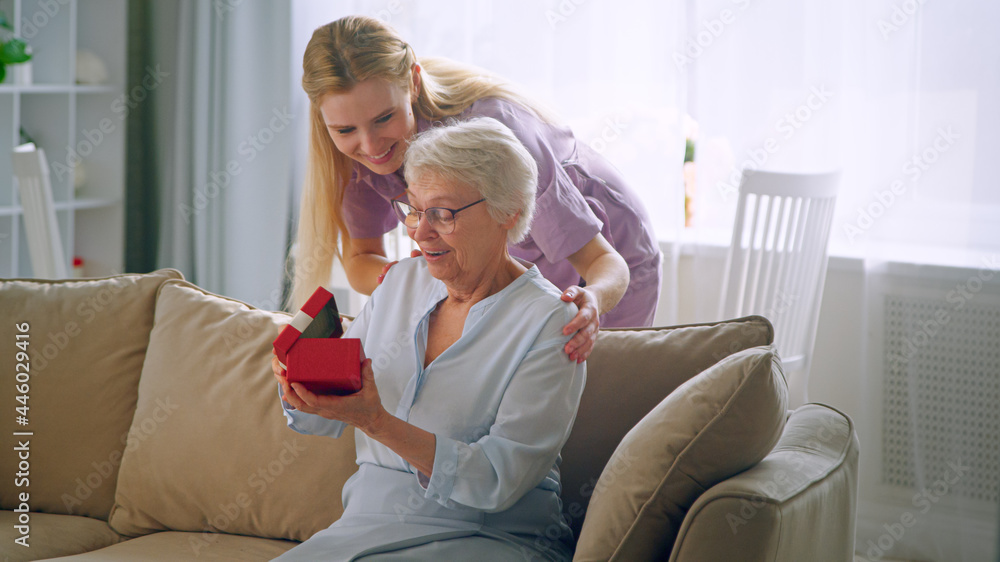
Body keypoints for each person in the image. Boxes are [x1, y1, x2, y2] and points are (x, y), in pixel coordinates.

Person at [272, 118, 586, 561]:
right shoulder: (399, 283)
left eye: (442, 214)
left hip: (492, 538)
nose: (419, 232)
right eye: (414, 211)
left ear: (507, 212)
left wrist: (378, 422)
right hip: (364, 526)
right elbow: (328, 417)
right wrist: (301, 384)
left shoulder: (551, 323)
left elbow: (498, 479)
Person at [290, 15, 662, 363]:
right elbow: (360, 258)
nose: (370, 146)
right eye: (345, 130)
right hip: (514, 278)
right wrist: (409, 278)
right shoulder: (358, 159)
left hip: (609, 257)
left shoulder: (499, 134)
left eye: (384, 118)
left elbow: (604, 261)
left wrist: (593, 300)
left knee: (594, 403)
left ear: (413, 84)